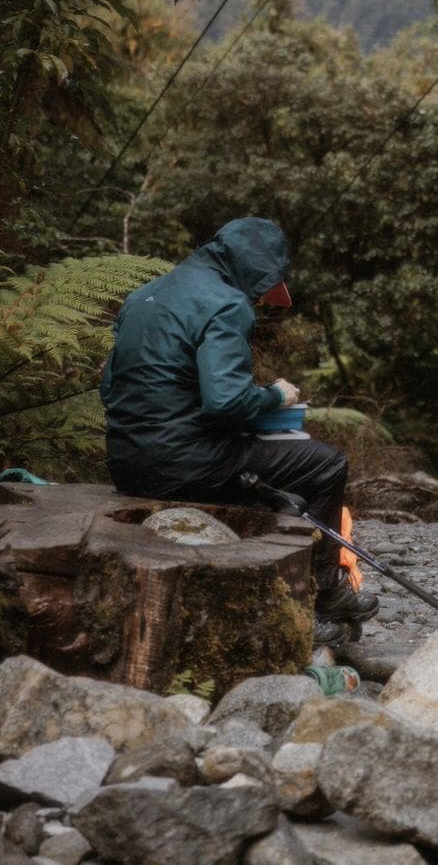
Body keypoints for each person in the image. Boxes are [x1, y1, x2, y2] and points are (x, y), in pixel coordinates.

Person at [100, 217, 376, 647]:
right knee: (326, 464)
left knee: (287, 495)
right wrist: (274, 396)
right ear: (258, 270)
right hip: (188, 464)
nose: (264, 300)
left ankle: (305, 594)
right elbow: (226, 403)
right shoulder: (227, 304)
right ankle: (325, 596)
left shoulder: (144, 296)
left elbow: (109, 389)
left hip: (127, 463)